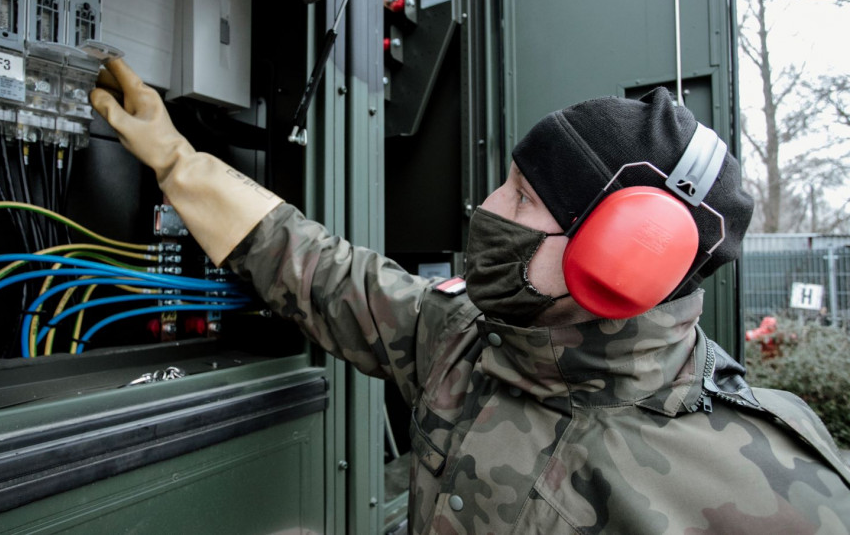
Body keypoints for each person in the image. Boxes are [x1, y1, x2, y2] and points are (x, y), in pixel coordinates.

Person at [91, 59, 850, 534]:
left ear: (619, 260)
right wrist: (172, 157)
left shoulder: (776, 488)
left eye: (520, 198)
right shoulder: (466, 343)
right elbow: (326, 272)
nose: (486, 206)